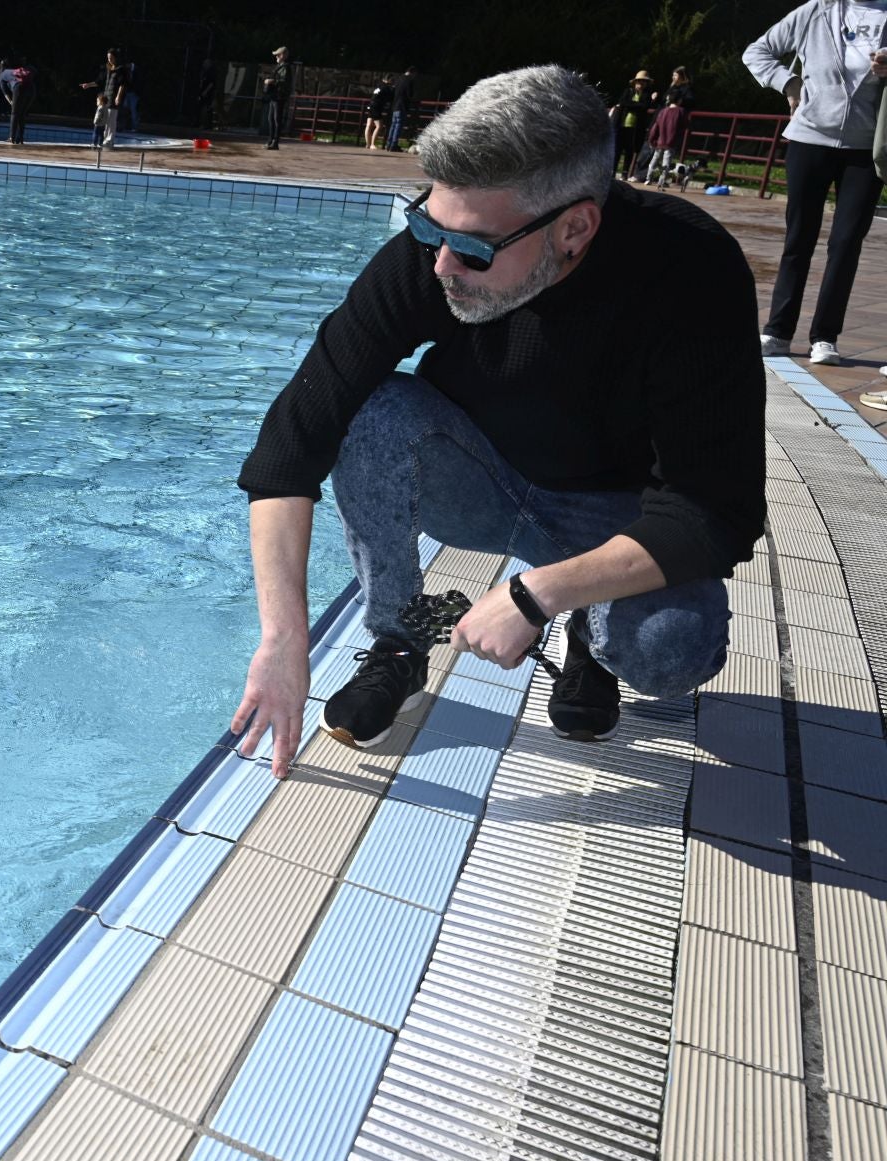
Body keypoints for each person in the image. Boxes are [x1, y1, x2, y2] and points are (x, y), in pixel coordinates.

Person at [231, 64, 762, 775]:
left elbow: (714, 515)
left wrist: (536, 596)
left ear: (574, 228)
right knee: (372, 411)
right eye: (427, 223)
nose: (443, 263)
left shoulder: (689, 274)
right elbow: (294, 435)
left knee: (672, 648)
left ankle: (591, 639)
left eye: (475, 248)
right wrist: (283, 638)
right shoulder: (435, 253)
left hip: (614, 517)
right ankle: (398, 641)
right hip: (481, 479)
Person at [745, 0, 887, 365]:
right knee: (799, 239)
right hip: (809, 140)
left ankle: (825, 337)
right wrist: (788, 82)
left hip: (865, 149)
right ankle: (777, 331)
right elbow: (757, 51)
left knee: (846, 242)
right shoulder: (816, 10)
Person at [611, 71, 656, 180]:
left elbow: (644, 106)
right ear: (635, 82)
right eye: (639, 81)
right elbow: (623, 102)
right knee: (617, 150)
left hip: (635, 127)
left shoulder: (646, 95)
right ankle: (612, 172)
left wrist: (631, 105)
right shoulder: (628, 91)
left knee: (629, 150)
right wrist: (636, 106)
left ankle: (625, 173)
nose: (641, 84)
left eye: (644, 82)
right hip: (622, 125)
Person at [643, 91, 688, 185]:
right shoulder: (681, 111)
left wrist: (651, 139)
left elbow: (656, 127)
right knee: (666, 162)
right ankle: (661, 181)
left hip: (660, 141)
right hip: (671, 142)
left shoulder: (663, 111)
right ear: (679, 100)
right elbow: (685, 125)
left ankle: (648, 178)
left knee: (654, 161)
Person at [262, 46, 293, 149]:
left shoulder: (285, 67)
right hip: (274, 95)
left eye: (278, 55)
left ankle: (275, 142)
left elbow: (284, 81)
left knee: (276, 119)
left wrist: (272, 81)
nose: (276, 57)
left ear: (283, 55)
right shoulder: (279, 66)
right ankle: (270, 140)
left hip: (279, 96)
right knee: (270, 118)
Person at [387, 65, 418, 150]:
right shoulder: (409, 80)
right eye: (414, 74)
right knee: (398, 126)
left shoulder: (398, 79)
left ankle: (389, 144)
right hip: (402, 106)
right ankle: (394, 145)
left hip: (395, 106)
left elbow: (393, 92)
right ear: (412, 72)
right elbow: (410, 94)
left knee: (393, 125)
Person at [6, 61, 34, 145]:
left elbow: (6, 92)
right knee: (21, 115)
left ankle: (12, 137)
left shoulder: (8, 77)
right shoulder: (28, 78)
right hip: (31, 90)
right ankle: (20, 138)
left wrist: (11, 101)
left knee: (14, 114)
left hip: (19, 90)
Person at [365, 76, 394, 150]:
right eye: (392, 80)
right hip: (376, 107)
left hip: (370, 106)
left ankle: (368, 144)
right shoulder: (386, 87)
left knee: (369, 125)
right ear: (388, 80)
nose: (392, 81)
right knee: (379, 126)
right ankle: (372, 144)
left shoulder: (378, 86)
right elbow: (391, 97)